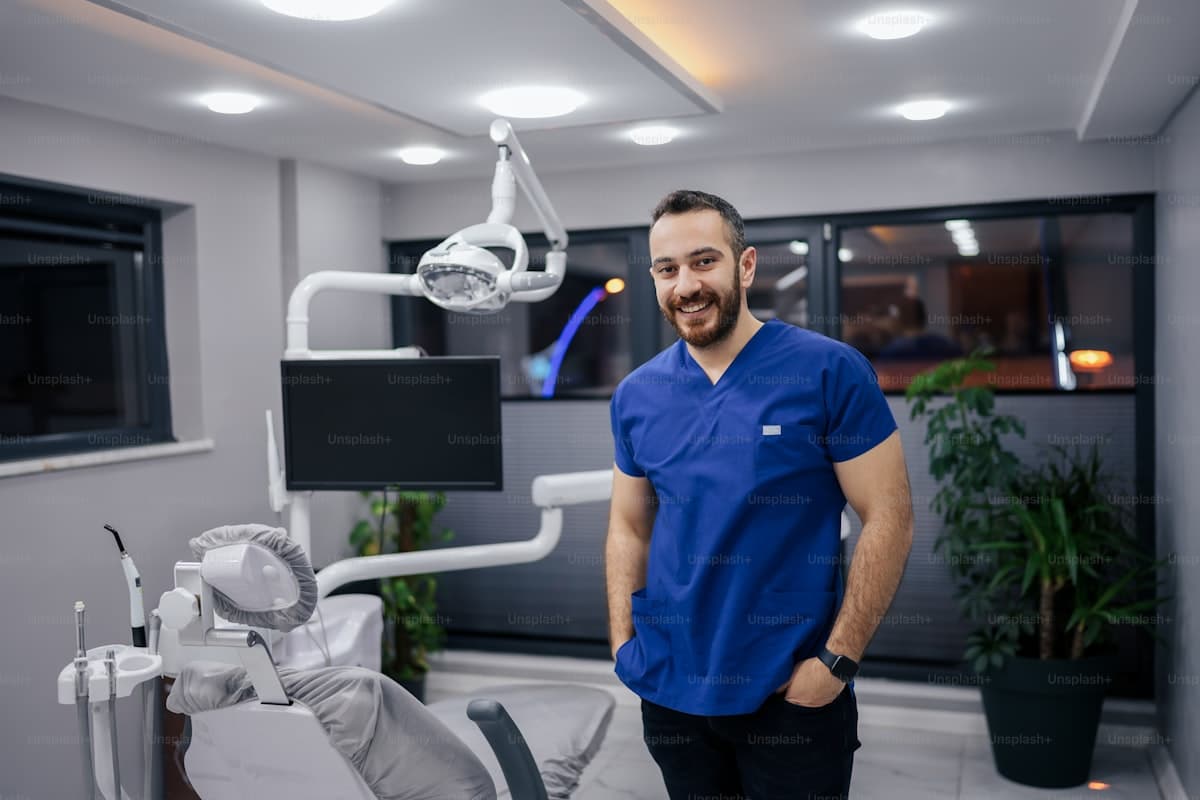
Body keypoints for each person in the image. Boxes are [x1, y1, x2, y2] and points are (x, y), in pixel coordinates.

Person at [606, 189, 914, 799]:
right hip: (670, 687)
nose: (686, 285)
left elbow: (890, 517)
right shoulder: (637, 395)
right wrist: (623, 645)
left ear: (744, 266)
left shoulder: (828, 371)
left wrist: (836, 663)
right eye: (667, 269)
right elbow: (628, 526)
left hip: (790, 691)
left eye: (703, 261)